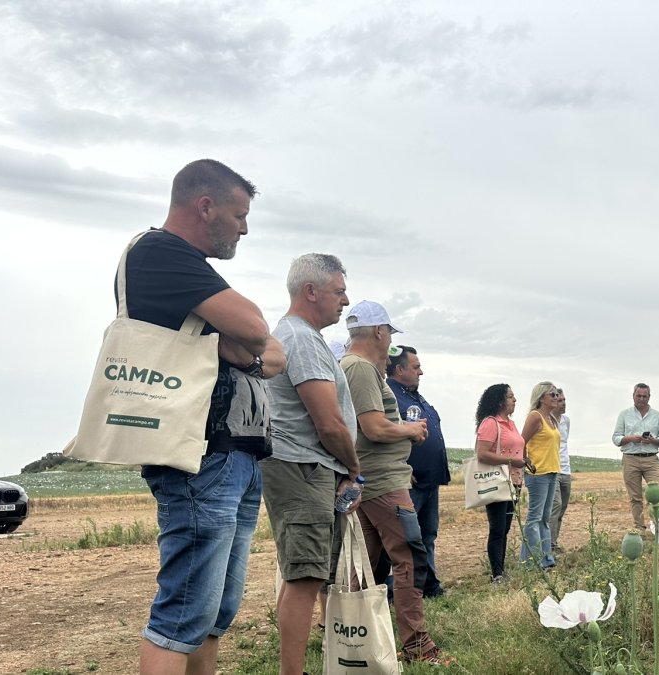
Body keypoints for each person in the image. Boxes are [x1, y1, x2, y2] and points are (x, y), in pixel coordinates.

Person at [131, 159, 286, 675]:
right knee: (183, 615)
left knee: (213, 613)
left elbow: (269, 353)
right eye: (240, 214)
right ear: (206, 207)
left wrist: (242, 349)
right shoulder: (161, 252)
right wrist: (240, 346)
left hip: (231, 454)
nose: (245, 227)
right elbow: (256, 326)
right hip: (199, 454)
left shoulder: (188, 267)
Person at [262, 253, 359, 675]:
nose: (345, 300)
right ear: (311, 291)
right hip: (304, 468)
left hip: (303, 467)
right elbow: (329, 422)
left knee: (300, 575)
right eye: (339, 291)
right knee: (305, 578)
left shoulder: (300, 337)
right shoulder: (300, 339)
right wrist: (354, 469)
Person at [340, 302, 452, 666]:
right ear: (378, 332)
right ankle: (417, 645)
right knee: (410, 557)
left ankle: (351, 637)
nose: (389, 341)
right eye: (389, 333)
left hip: (375, 480)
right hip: (384, 481)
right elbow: (373, 427)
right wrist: (409, 428)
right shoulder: (359, 369)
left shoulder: (358, 368)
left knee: (370, 566)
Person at [387, 344, 450, 598]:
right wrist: (401, 466)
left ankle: (428, 586)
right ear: (400, 369)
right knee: (404, 540)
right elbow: (380, 432)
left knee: (427, 535)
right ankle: (398, 590)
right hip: (408, 482)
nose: (420, 372)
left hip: (429, 480)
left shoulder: (416, 397)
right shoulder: (389, 396)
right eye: (416, 367)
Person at [473, 384, 528, 583]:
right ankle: (497, 574)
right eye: (511, 397)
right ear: (499, 401)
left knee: (504, 527)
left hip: (514, 481)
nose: (515, 400)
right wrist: (511, 461)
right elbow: (482, 453)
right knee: (497, 528)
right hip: (498, 480)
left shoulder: (510, 424)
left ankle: (500, 569)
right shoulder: (490, 423)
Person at [612, 383, 659, 530]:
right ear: (633, 396)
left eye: (645, 396)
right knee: (635, 497)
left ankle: (658, 527)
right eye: (639, 396)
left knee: (658, 495)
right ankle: (639, 528)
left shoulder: (657, 415)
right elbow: (616, 438)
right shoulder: (624, 415)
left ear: (649, 397)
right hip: (630, 458)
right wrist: (631, 438)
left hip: (651, 458)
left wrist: (653, 440)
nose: (641, 399)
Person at [519, 381, 562, 569]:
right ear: (541, 397)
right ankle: (530, 562)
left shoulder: (551, 418)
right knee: (534, 518)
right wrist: (526, 463)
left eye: (557, 394)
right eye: (552, 394)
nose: (556, 397)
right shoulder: (535, 417)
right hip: (538, 473)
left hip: (552, 471)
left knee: (545, 518)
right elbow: (521, 442)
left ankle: (546, 559)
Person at [549, 389, 572, 552]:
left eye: (564, 400)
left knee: (562, 507)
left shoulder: (566, 421)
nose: (563, 403)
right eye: (560, 400)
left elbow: (564, 443)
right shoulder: (545, 420)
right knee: (555, 505)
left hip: (566, 469)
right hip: (552, 469)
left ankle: (554, 542)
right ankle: (548, 544)